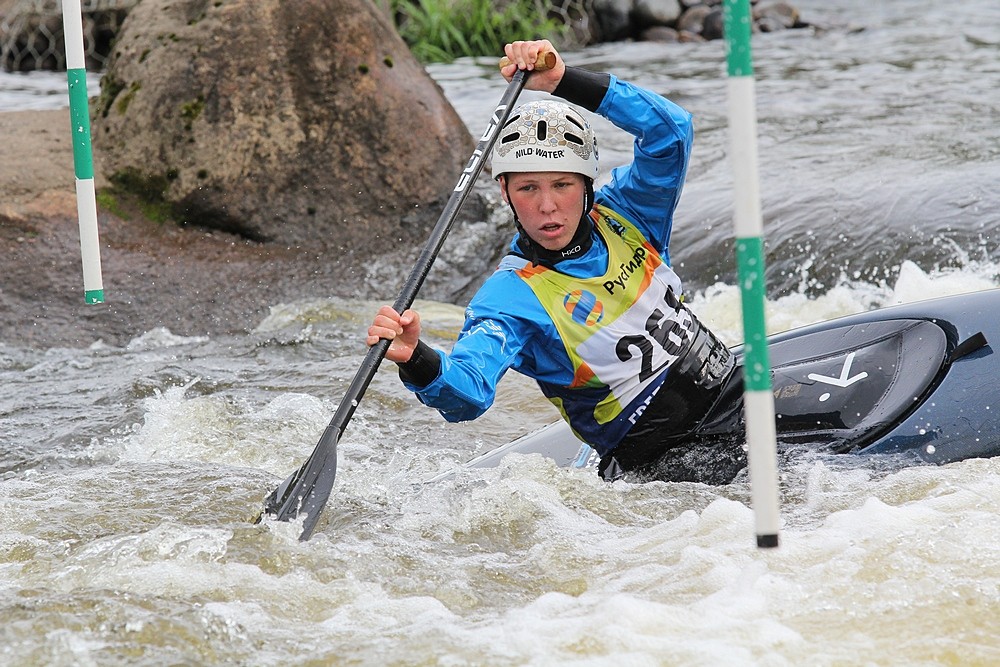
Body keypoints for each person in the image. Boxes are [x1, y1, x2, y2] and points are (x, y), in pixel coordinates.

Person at [367, 39, 737, 482]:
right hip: (666, 459)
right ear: (505, 192)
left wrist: (565, 81)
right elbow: (469, 392)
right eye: (528, 188)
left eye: (562, 185)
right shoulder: (511, 298)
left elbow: (671, 131)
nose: (547, 206)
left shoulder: (630, 214)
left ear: (587, 184)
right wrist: (416, 358)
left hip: (733, 391)